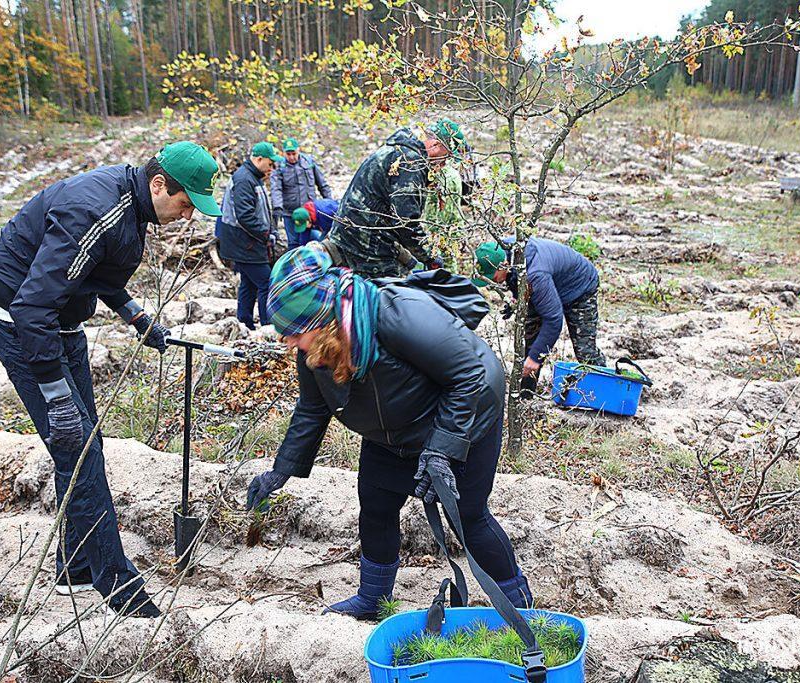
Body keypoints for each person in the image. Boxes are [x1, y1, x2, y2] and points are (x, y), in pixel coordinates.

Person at [0, 142, 222, 618]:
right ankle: (121, 592)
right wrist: (55, 394)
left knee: (85, 445)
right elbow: (31, 306)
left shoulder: (130, 208)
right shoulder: (95, 210)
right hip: (17, 319)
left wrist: (135, 315)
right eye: (186, 204)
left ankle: (75, 567)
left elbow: (93, 270)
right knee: (78, 447)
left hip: (56, 319)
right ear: (158, 185)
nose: (187, 216)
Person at [245, 244, 533, 620]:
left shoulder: (395, 314)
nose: (289, 343)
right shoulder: (313, 349)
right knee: (376, 505)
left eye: (294, 333)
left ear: (321, 320)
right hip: (392, 433)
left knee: (467, 516)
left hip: (465, 417)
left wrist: (441, 449)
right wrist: (281, 470)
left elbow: (471, 375)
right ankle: (373, 599)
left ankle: (520, 607)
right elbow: (313, 409)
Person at [327, 119, 467, 279]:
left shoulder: (400, 150)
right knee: (394, 292)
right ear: (435, 145)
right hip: (363, 240)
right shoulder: (411, 163)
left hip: (354, 232)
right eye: (445, 157)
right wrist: (431, 257)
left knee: (409, 267)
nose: (443, 164)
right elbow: (405, 222)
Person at [474, 237, 607, 390]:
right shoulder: (500, 249)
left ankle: (606, 392)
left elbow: (553, 319)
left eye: (492, 277)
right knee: (530, 342)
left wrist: (535, 358)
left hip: (579, 287)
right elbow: (516, 279)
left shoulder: (536, 273)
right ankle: (525, 396)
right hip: (548, 284)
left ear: (503, 265)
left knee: (585, 351)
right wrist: (516, 301)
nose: (492, 282)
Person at [218, 141, 282, 330]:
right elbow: (244, 216)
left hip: (245, 243)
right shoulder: (245, 179)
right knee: (266, 283)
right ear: (259, 159)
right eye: (270, 164)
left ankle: (244, 323)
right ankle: (267, 327)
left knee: (248, 283)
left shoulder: (252, 178)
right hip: (244, 243)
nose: (272, 168)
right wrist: (265, 234)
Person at [270, 138, 333, 250]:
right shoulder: (279, 167)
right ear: (283, 153)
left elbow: (322, 184)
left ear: (298, 150)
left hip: (309, 213)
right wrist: (277, 207)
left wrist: (329, 201)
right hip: (290, 213)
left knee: (315, 239)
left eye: (294, 153)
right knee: (294, 243)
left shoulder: (309, 162)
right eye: (288, 154)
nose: (291, 157)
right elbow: (276, 189)